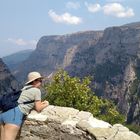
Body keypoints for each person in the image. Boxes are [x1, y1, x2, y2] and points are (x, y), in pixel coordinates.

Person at [0, 71, 49, 140]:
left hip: (4, 114)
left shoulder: (24, 88)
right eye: (40, 80)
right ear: (34, 81)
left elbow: (28, 102)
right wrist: (46, 104)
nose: (41, 82)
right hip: (13, 116)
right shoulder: (36, 91)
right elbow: (38, 108)